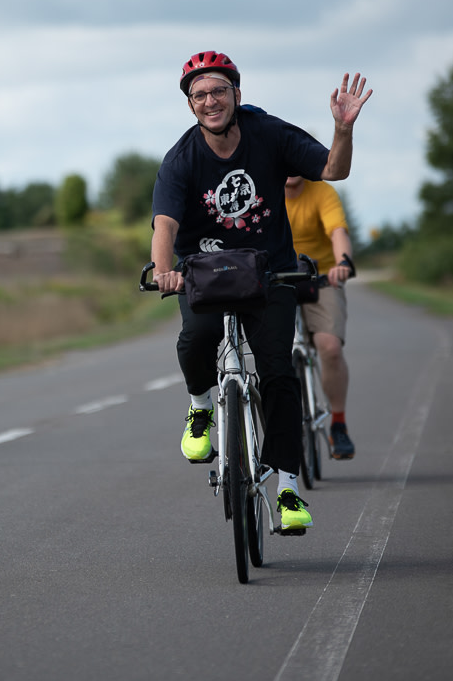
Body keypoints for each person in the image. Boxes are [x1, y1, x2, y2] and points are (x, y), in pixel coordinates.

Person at [150, 51, 371, 532]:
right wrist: (165, 270)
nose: (210, 101)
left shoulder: (268, 133)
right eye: (199, 95)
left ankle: (288, 488)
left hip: (270, 274)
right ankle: (200, 409)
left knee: (278, 375)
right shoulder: (181, 159)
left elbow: (333, 169)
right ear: (191, 106)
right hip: (204, 274)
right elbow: (164, 223)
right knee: (196, 339)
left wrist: (344, 130)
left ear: (237, 94)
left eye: (218, 91)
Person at [284, 175, 356, 459]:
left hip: (321, 276)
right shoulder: (262, 191)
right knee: (270, 352)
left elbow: (337, 231)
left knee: (330, 346)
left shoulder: (322, 192)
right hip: (276, 279)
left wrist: (343, 263)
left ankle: (338, 425)